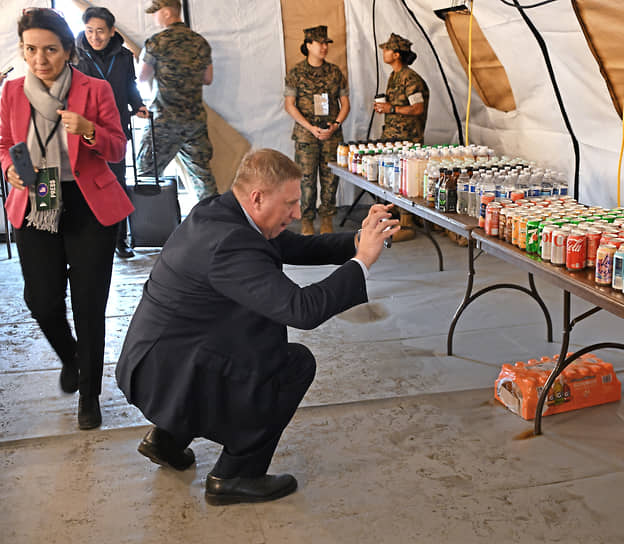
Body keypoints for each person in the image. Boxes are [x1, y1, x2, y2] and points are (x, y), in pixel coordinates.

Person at [115, 149, 399, 505]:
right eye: (290, 203)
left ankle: (167, 438)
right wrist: (363, 261)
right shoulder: (230, 244)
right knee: (291, 364)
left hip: (158, 363)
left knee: (250, 333)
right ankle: (236, 475)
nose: (297, 213)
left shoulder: (220, 212)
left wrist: (360, 238)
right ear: (258, 197)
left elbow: (296, 246)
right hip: (168, 376)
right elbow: (302, 310)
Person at [0, 8, 130, 430]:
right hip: (37, 198)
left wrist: (89, 130)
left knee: (89, 303)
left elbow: (117, 148)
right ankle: (71, 358)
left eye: (50, 50)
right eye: (31, 49)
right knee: (42, 300)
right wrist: (10, 169)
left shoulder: (95, 89)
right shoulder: (12, 92)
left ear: (68, 50)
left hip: (89, 204)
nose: (40, 59)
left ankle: (89, 394)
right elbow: (4, 143)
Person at [75, 6, 149, 259]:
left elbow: (130, 85)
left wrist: (137, 105)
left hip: (115, 130)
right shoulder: (74, 55)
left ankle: (119, 240)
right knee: (83, 185)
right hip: (82, 131)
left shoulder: (124, 56)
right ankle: (85, 239)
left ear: (111, 31)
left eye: (100, 31)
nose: (94, 37)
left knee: (116, 184)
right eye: (89, 31)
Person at [137, 0, 217, 200]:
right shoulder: (200, 42)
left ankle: (153, 219)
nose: (154, 17)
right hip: (194, 122)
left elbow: (142, 77)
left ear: (166, 12)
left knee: (146, 175)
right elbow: (208, 79)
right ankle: (212, 217)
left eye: (155, 12)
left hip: (164, 121)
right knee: (202, 177)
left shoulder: (156, 42)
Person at [284, 26, 350, 235]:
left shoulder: (335, 72)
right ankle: (307, 219)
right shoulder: (296, 73)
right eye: (320, 43)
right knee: (306, 179)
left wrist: (336, 125)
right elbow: (289, 105)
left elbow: (345, 104)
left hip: (331, 134)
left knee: (330, 179)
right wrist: (310, 127)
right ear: (308, 45)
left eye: (326, 43)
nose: (324, 47)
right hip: (306, 135)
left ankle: (327, 217)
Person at [373, 33, 430, 242]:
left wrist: (392, 108)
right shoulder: (394, 76)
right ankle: (396, 217)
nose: (384, 52)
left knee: (406, 180)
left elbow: (417, 108)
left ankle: (407, 224)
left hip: (408, 139)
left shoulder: (410, 78)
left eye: (387, 49)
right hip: (393, 137)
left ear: (397, 54)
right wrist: (385, 108)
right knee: (393, 179)